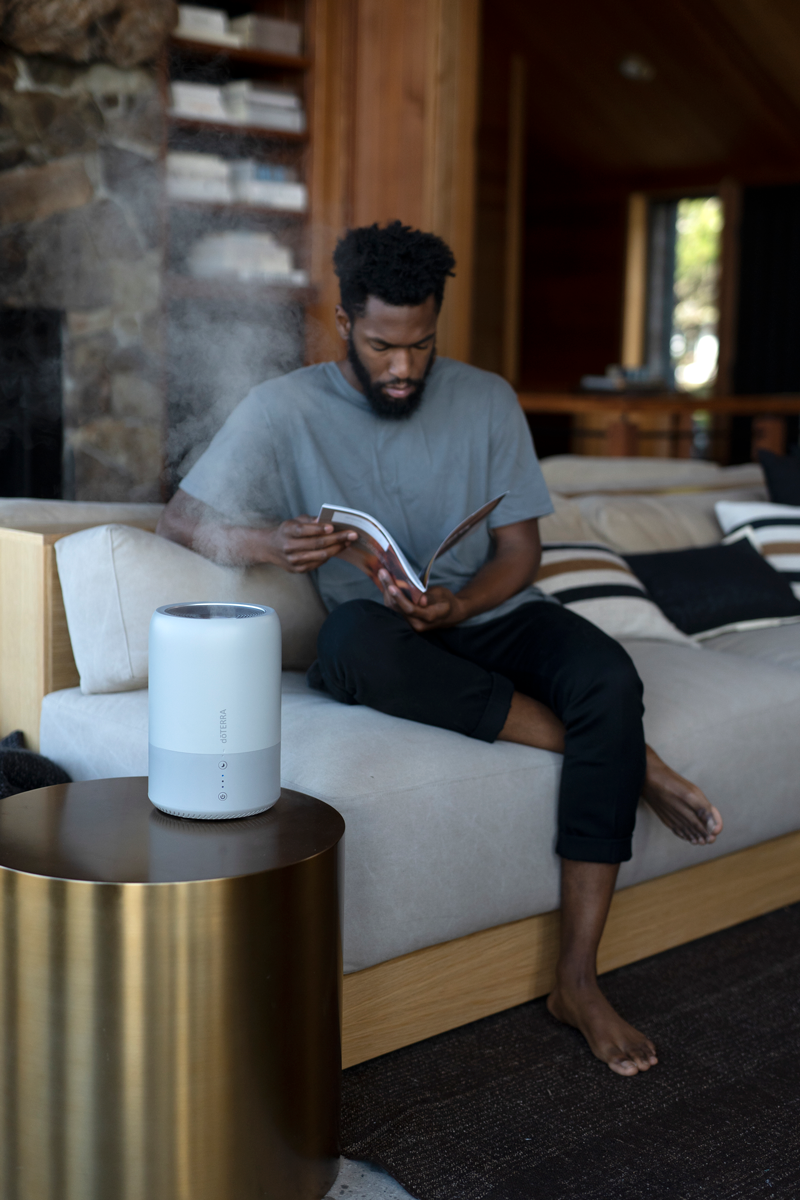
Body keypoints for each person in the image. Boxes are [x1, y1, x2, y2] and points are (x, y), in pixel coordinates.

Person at [158, 221, 723, 1076]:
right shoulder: (283, 408)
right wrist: (277, 544)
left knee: (608, 673)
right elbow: (182, 519)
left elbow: (521, 554)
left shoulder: (488, 398)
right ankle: (623, 758)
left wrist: (463, 599)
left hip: (487, 611)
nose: (403, 367)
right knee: (352, 645)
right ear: (345, 322)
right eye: (384, 344)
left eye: (421, 345)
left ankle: (576, 979)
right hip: (378, 632)